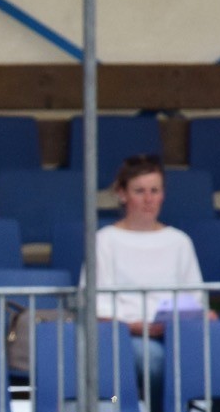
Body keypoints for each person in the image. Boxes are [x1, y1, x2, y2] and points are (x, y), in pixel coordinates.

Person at [88, 154, 212, 399]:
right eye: (139, 191)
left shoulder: (179, 241)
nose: (148, 199)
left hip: (177, 332)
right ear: (122, 194)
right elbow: (97, 307)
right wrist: (137, 326)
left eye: (154, 190)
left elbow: (195, 298)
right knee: (154, 359)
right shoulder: (104, 240)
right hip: (125, 336)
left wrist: (203, 313)